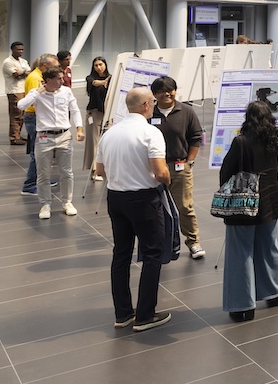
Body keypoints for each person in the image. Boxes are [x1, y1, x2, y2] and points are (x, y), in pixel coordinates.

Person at [96, 87, 172, 332]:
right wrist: (167, 179)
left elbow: (99, 171)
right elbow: (160, 172)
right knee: (152, 254)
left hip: (116, 198)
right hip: (144, 199)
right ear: (146, 106)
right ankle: (145, 315)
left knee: (121, 254)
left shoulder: (109, 133)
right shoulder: (150, 132)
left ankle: (123, 313)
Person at [219, 100, 278, 321]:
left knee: (240, 252)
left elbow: (226, 171)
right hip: (271, 200)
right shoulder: (274, 139)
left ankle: (242, 305)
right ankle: (274, 292)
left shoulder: (241, 142)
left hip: (245, 203)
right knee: (269, 247)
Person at [14, 67, 84, 219]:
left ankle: (67, 202)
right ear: (49, 80)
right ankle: (45, 204)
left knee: (67, 172)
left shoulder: (66, 91)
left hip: (64, 135)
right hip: (44, 137)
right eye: (59, 78)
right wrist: (36, 92)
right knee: (43, 174)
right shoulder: (38, 94)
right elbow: (21, 106)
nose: (62, 80)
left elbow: (75, 110)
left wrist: (79, 128)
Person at [149, 76, 206, 259]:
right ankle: (158, 242)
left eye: (170, 90)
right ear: (154, 94)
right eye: (161, 91)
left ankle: (193, 241)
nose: (166, 93)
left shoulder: (186, 111)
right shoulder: (149, 112)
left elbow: (196, 137)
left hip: (179, 167)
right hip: (153, 167)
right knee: (153, 206)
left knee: (184, 206)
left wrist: (190, 161)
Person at [21, 54, 60, 195]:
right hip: (34, 118)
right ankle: (29, 184)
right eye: (53, 66)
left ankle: (41, 179)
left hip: (38, 118)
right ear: (45, 66)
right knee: (36, 153)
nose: (56, 69)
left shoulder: (38, 76)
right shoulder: (35, 78)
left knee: (43, 152)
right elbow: (33, 100)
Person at [83, 56, 111, 180]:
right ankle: (94, 170)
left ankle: (105, 168)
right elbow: (94, 83)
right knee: (93, 142)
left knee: (107, 142)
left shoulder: (111, 78)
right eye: (96, 65)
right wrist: (104, 82)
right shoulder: (90, 78)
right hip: (94, 113)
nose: (99, 67)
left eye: (101, 64)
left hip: (107, 113)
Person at [2, 41, 29, 145]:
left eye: (22, 49)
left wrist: (22, 73)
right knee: (15, 114)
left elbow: (28, 72)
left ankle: (18, 134)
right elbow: (16, 75)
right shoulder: (8, 62)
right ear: (12, 50)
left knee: (22, 114)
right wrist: (23, 73)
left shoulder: (23, 61)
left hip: (23, 89)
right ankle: (13, 137)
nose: (21, 51)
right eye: (18, 49)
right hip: (14, 90)